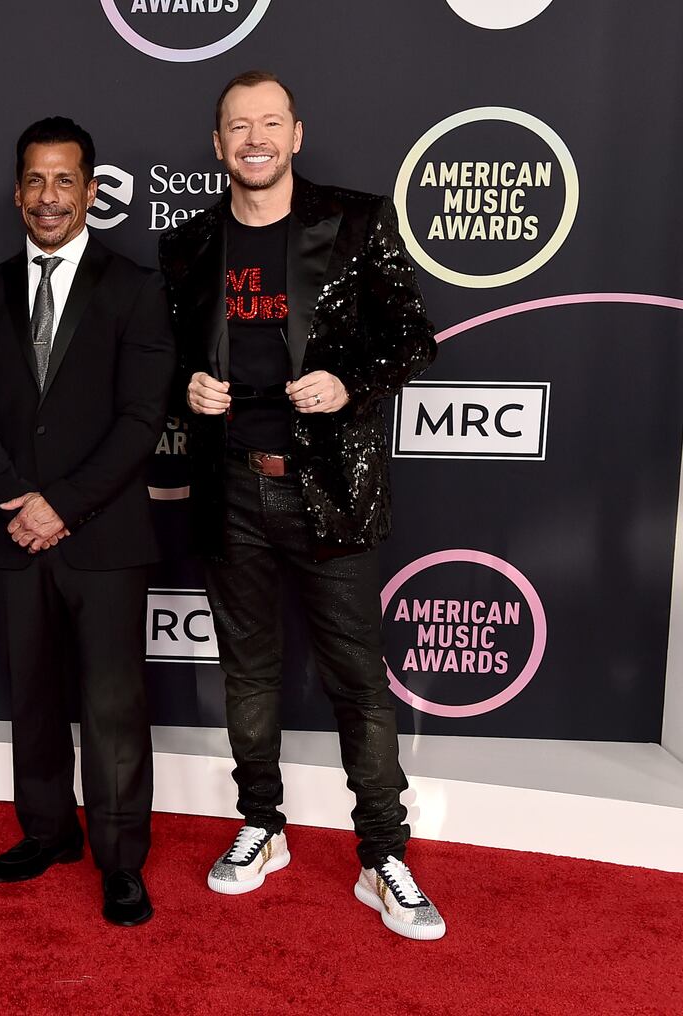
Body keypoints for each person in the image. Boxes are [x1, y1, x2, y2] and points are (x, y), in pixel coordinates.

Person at [158, 70, 445, 940]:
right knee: (248, 674)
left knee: (358, 680)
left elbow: (413, 337)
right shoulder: (189, 244)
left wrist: (349, 382)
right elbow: (160, 359)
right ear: (217, 144)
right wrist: (188, 389)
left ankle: (383, 855)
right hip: (232, 487)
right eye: (237, 126)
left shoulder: (353, 221)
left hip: (330, 492)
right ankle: (262, 824)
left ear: (296, 134)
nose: (254, 138)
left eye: (269, 123)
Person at [0, 116, 175, 926]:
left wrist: (62, 505)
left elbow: (141, 418)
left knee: (113, 708)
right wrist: (19, 499)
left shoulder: (136, 288)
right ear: (18, 193)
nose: (50, 198)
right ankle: (46, 831)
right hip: (14, 533)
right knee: (33, 697)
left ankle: (121, 861)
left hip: (103, 537)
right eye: (35, 182)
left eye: (65, 181)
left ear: (91, 191)